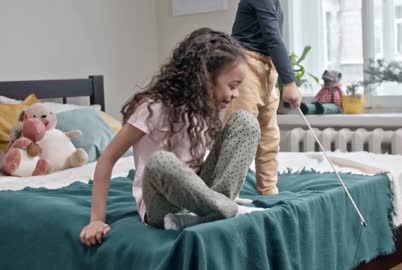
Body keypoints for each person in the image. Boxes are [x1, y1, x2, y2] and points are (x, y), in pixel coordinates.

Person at [80, 28, 264, 246]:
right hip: (162, 207)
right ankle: (226, 209)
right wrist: (96, 220)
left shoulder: (203, 109)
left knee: (246, 121)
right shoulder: (152, 108)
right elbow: (107, 158)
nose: (236, 94)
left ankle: (219, 207)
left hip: (199, 194)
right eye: (232, 86)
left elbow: (215, 161)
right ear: (205, 78)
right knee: (160, 161)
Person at [225, 0, 302, 195]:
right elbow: (272, 36)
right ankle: (226, 194)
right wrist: (290, 82)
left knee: (269, 136)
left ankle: (268, 190)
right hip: (247, 64)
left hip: (267, 69)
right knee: (240, 134)